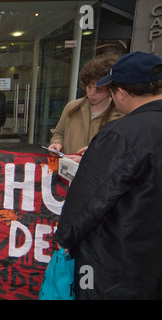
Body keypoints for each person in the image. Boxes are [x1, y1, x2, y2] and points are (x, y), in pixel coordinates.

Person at [54, 51, 162, 299]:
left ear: (121, 93)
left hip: (119, 262)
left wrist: (65, 237)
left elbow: (92, 197)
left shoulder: (121, 133)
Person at [48, 54, 124, 162]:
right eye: (89, 87)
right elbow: (59, 133)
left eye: (99, 89)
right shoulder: (72, 107)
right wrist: (56, 143)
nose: (92, 93)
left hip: (98, 175)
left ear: (110, 89)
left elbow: (122, 152)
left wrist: (94, 155)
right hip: (68, 172)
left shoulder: (121, 114)